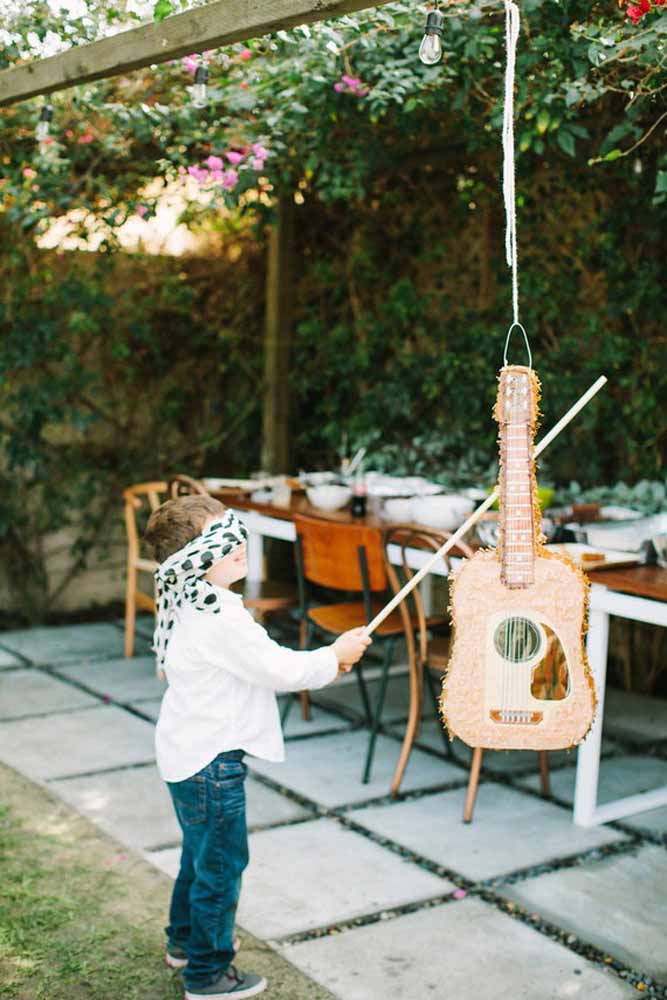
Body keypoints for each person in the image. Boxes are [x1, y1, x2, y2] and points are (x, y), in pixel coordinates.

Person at [144, 494, 371, 1000]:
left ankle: (184, 942)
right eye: (223, 540)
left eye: (236, 531)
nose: (239, 544)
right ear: (193, 560)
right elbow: (281, 669)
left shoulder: (192, 601)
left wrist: (328, 660)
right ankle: (207, 974)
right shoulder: (219, 619)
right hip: (211, 764)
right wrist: (335, 655)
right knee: (221, 867)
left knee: (198, 858)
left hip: (186, 755)